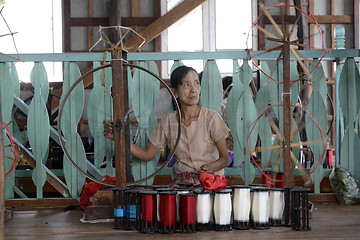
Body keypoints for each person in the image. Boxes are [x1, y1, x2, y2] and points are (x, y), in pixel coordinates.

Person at [104, 65, 230, 187]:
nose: (193, 89)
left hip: (210, 182)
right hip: (183, 184)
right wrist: (119, 139)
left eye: (197, 83)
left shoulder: (212, 118)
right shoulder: (168, 122)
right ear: (175, 92)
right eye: (187, 85)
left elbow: (225, 159)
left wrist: (209, 168)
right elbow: (147, 154)